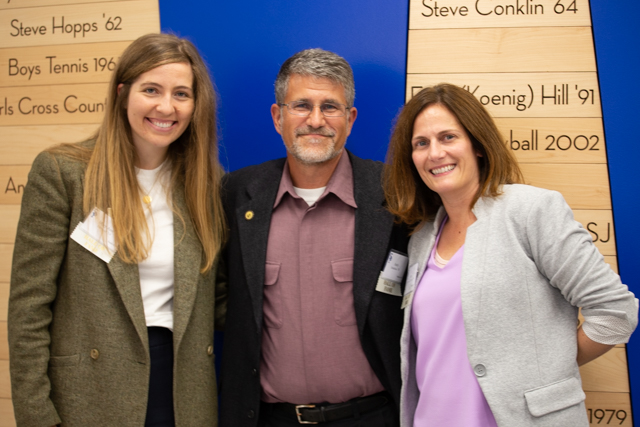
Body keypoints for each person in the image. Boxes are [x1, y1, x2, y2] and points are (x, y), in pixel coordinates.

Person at [383, 83, 638, 427]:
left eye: (448, 137)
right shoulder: (421, 238)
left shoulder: (531, 211)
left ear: (477, 146)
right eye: (421, 143)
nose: (435, 153)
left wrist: (541, 368)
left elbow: (616, 313)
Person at [8, 33, 227, 427]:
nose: (166, 106)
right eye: (151, 90)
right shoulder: (64, 174)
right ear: (123, 93)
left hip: (183, 389)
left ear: (196, 105)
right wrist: (36, 416)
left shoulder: (205, 186)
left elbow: (222, 298)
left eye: (181, 93)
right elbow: (29, 310)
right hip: (91, 391)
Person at [218, 48, 408, 427]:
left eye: (330, 107)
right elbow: (221, 295)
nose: (316, 120)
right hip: (269, 419)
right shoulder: (238, 194)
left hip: (372, 417)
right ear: (278, 117)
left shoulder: (394, 195)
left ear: (350, 119)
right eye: (301, 105)